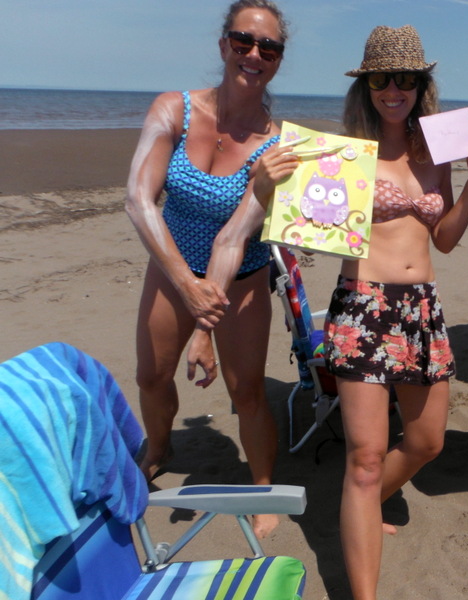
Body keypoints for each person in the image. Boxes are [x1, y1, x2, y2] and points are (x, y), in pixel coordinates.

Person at [262, 24, 468, 600]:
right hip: (364, 305)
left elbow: (442, 240)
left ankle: (362, 502)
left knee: (427, 442)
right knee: (364, 459)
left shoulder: (436, 149)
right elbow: (303, 224)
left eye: (406, 78)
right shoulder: (341, 156)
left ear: (421, 85)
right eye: (382, 79)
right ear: (365, 86)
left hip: (422, 308)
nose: (395, 89)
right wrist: (270, 192)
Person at [125, 0, 300, 539]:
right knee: (151, 376)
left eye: (267, 47)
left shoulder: (279, 144)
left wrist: (207, 322)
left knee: (245, 390)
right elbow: (139, 198)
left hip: (241, 277)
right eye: (243, 40)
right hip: (172, 265)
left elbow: (235, 234)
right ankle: (159, 446)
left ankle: (263, 485)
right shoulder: (173, 109)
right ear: (224, 44)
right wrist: (185, 285)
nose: (253, 54)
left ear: (277, 59)